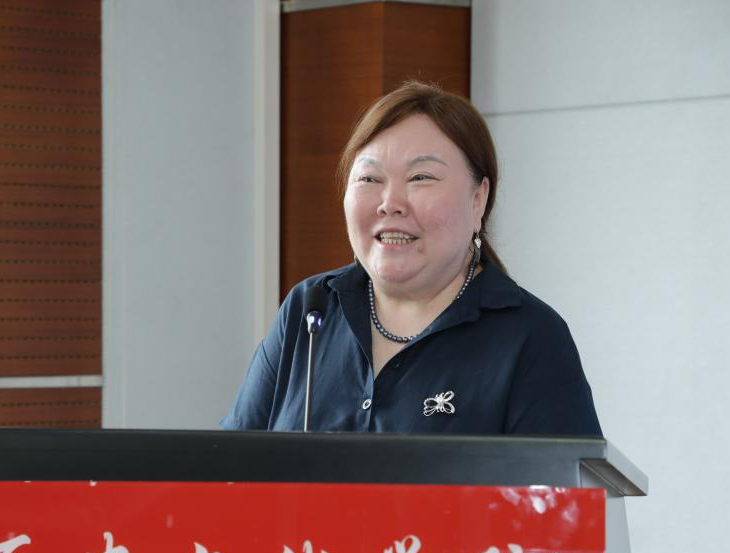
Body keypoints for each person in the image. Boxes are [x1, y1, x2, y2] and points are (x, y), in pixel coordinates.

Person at [222, 81, 601, 436]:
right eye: (369, 179)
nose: (390, 204)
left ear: (478, 200)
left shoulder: (532, 338)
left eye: (421, 177)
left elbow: (564, 486)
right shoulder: (310, 311)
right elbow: (228, 467)